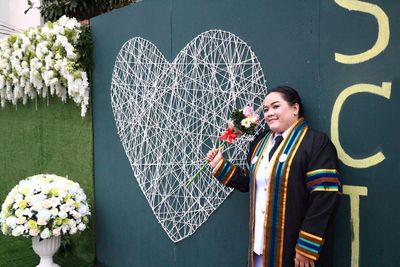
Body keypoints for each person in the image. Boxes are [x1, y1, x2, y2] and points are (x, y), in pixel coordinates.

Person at [206, 86, 341, 267]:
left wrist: (307, 245)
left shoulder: (315, 142)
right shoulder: (260, 143)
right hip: (259, 248)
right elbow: (249, 181)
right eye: (266, 109)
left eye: (276, 106)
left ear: (295, 108)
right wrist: (220, 166)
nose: (269, 113)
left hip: (295, 249)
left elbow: (325, 195)